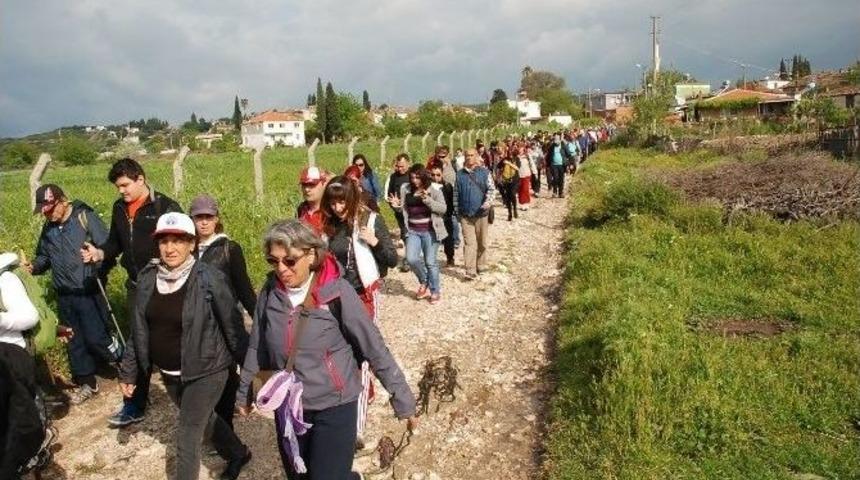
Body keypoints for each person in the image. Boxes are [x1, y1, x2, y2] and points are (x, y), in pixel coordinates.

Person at [236, 220, 417, 480]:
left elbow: (373, 346)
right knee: (299, 475)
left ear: (311, 254)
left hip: (334, 403)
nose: (281, 269)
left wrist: (402, 399)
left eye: (289, 261)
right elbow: (258, 345)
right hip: (288, 405)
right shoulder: (269, 292)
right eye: (273, 261)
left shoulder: (337, 292)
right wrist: (246, 392)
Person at [118, 212, 251, 480]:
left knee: (187, 433)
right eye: (164, 241)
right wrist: (129, 370)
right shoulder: (147, 278)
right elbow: (139, 329)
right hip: (170, 373)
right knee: (206, 421)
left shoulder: (209, 278)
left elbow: (233, 326)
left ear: (192, 244)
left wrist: (248, 375)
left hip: (207, 369)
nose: (170, 248)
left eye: (178, 240)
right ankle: (238, 453)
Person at [80, 157, 182, 428]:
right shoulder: (118, 209)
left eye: (125, 185)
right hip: (137, 286)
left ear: (141, 178)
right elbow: (115, 243)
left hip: (166, 285)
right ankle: (134, 405)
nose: (121, 191)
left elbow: (184, 245)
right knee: (138, 343)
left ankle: (193, 397)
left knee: (175, 337)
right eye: (118, 187)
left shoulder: (164, 207)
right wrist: (99, 253)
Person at [26, 184, 121, 405]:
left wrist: (97, 263)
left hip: (88, 289)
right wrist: (34, 266)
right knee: (73, 339)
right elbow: (44, 257)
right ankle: (88, 381)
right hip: (64, 293)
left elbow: (108, 247)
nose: (45, 214)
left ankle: (123, 361)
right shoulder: (48, 229)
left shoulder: (84, 217)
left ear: (62, 201)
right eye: (43, 210)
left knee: (98, 336)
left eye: (49, 209)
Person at [321, 176, 398, 447]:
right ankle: (357, 394)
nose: (337, 207)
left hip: (363, 295)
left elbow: (392, 259)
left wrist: (374, 241)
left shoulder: (370, 220)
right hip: (335, 297)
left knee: (363, 354)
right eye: (332, 202)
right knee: (341, 354)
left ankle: (355, 430)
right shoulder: (329, 225)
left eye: (342, 201)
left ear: (352, 198)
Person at [189, 194, 256, 433]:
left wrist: (259, 317)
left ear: (217, 219)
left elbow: (243, 288)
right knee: (218, 372)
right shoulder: (188, 249)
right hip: (202, 324)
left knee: (245, 358)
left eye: (208, 217)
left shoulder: (229, 248)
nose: (204, 222)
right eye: (199, 217)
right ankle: (224, 424)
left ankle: (261, 397)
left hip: (228, 316)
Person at [0, 252, 43, 479]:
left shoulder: (4, 279)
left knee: (20, 426)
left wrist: (2, 319)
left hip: (12, 360)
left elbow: (30, 316)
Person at [390, 165, 448, 304]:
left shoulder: (434, 190)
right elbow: (403, 210)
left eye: (417, 177)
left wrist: (427, 200)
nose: (415, 180)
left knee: (430, 262)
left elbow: (443, 209)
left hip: (430, 231)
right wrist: (397, 206)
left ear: (423, 177)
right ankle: (424, 281)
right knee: (411, 259)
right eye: (412, 177)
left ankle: (435, 291)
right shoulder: (406, 189)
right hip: (413, 231)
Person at [453, 149, 495, 280]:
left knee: (482, 242)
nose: (469, 158)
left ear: (477, 157)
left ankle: (481, 264)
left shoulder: (484, 172)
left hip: (481, 213)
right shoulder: (459, 175)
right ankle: (470, 269)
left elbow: (491, 189)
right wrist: (457, 211)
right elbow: (455, 195)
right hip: (466, 215)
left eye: (472, 155)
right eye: (467, 156)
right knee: (469, 243)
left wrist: (487, 202)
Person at [383, 154, 412, 271]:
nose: (400, 169)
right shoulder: (394, 177)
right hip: (399, 213)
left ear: (408, 164)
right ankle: (408, 259)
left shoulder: (413, 176)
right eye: (398, 166)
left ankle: (409, 260)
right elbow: (390, 194)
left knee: (411, 234)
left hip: (413, 212)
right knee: (405, 235)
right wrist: (394, 205)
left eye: (402, 166)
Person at [430, 166, 456, 266]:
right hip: (432, 217)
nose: (435, 177)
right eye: (433, 175)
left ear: (442, 175)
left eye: (438, 175)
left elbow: (451, 201)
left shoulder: (448, 186)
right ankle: (431, 259)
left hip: (445, 217)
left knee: (448, 239)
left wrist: (448, 213)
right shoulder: (427, 187)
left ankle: (450, 257)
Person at [296, 166, 328, 235]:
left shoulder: (331, 210)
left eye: (311, 184)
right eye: (304, 185)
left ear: (324, 184)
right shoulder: (301, 209)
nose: (307, 189)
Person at [495, 152, 520, 221]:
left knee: (512, 194)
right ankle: (510, 213)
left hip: (515, 180)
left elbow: (517, 168)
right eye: (509, 154)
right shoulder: (504, 160)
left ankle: (514, 208)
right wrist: (498, 177)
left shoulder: (517, 159)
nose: (510, 155)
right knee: (508, 197)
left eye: (511, 154)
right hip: (506, 181)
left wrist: (508, 163)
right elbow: (498, 167)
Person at [516, 144, 533, 210]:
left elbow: (532, 164)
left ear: (523, 150)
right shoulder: (516, 157)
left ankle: (526, 203)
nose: (520, 150)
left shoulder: (527, 156)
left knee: (525, 189)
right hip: (519, 175)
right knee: (520, 190)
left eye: (521, 149)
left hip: (526, 174)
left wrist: (535, 172)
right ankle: (522, 203)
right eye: (519, 149)